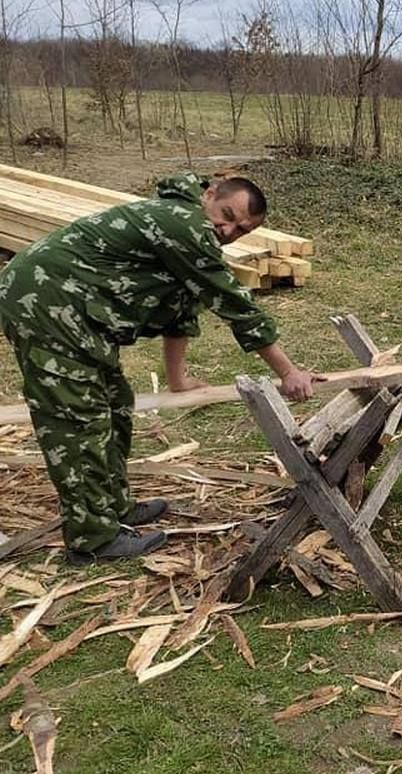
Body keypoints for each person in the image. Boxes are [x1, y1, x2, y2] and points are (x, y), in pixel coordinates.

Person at [0, 173, 319, 565]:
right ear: (210, 194)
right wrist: (288, 372)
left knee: (116, 405)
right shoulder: (183, 221)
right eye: (227, 214)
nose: (228, 229)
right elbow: (233, 302)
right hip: (45, 302)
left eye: (241, 229)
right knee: (78, 420)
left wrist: (177, 380)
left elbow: (181, 313)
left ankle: (112, 510)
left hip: (77, 313)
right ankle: (93, 541)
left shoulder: (187, 235)